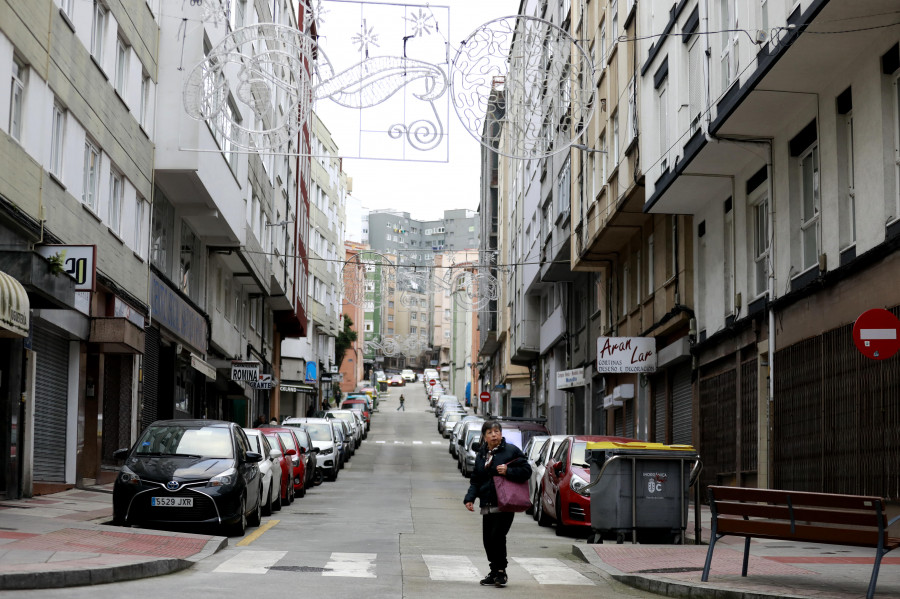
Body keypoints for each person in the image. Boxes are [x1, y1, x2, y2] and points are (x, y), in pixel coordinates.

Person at [463, 420, 531, 587]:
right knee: (488, 540)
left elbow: (526, 471)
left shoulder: (511, 451)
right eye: (490, 432)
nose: (494, 434)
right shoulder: (481, 454)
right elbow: (476, 480)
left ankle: (501, 571)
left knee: (497, 536)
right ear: (484, 436)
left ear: (501, 434)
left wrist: (509, 471)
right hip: (487, 502)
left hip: (505, 502)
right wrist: (470, 498)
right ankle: (493, 571)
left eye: (496, 431)